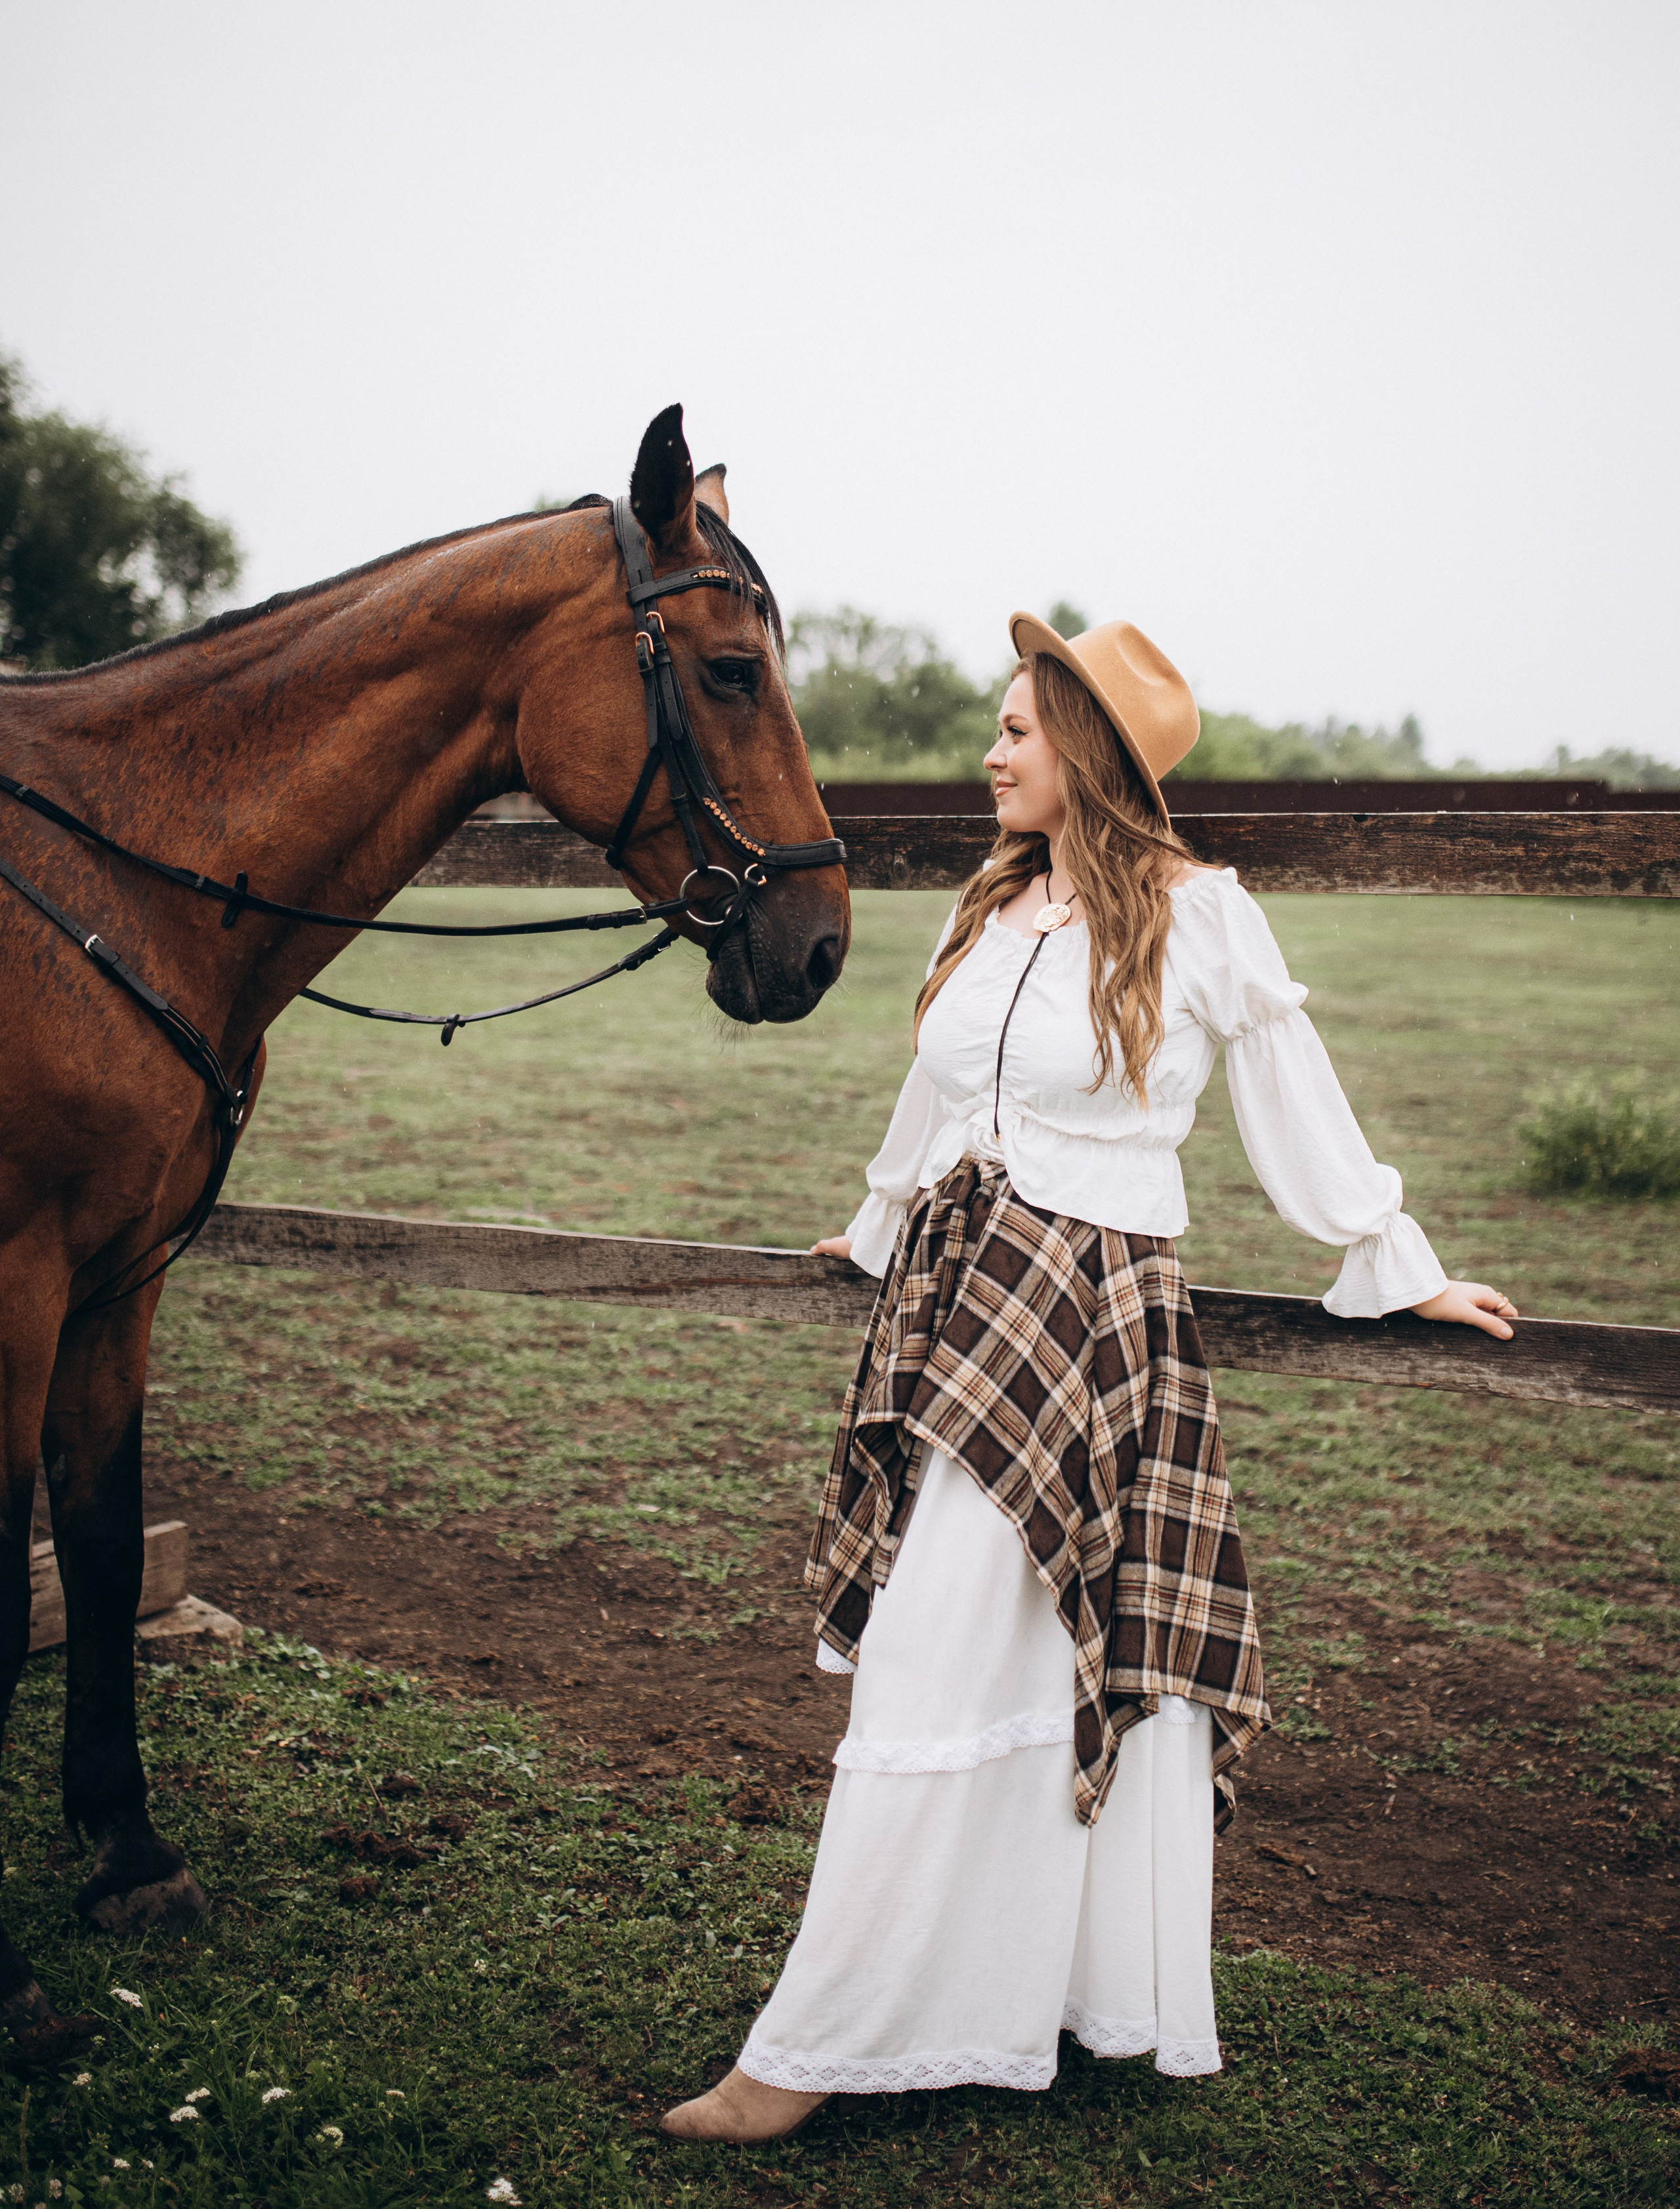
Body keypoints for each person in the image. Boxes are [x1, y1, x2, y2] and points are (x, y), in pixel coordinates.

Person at [661, 613, 1517, 2143]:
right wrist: (873, 1227)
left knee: (956, 1654)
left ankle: (804, 2055)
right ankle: (982, 1998)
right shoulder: (985, 914)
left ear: (1088, 758)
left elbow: (1288, 1098)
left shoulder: (1198, 918)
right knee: (969, 1652)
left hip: (1088, 1318)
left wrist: (1392, 1258)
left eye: (1014, 732)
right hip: (952, 1303)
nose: (987, 754)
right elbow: (929, 1110)